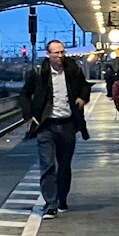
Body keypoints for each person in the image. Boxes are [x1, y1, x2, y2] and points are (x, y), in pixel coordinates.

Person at [21, 38, 90, 216]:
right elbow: (24, 94)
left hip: (67, 124)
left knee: (64, 166)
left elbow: (85, 86)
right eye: (56, 53)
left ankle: (62, 199)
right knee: (48, 165)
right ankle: (50, 203)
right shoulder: (39, 73)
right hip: (46, 125)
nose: (60, 56)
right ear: (48, 54)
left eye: (62, 52)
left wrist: (83, 98)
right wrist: (29, 115)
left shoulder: (72, 69)